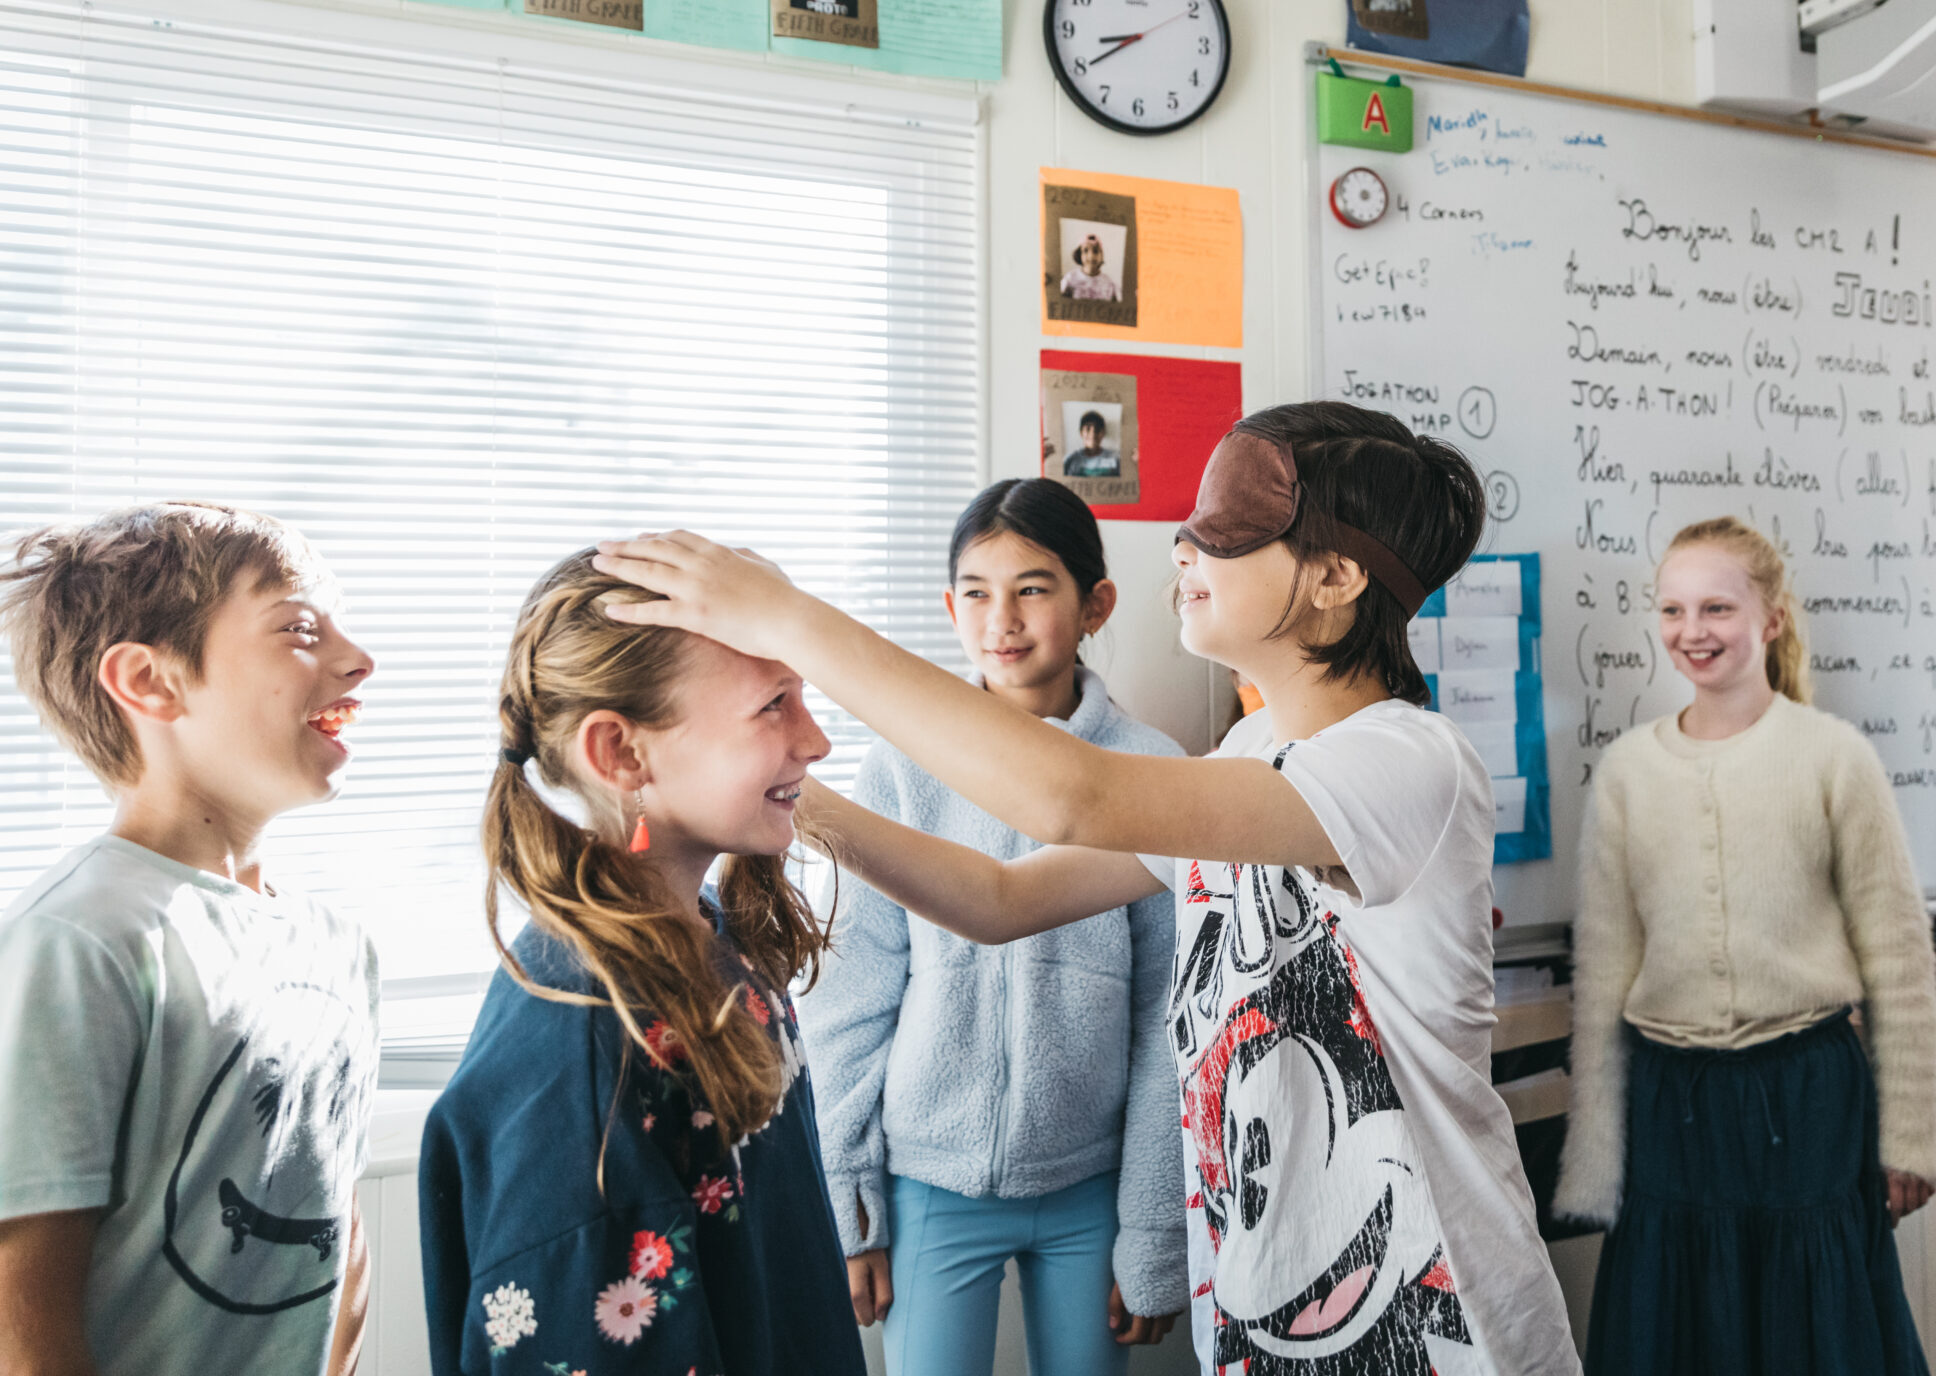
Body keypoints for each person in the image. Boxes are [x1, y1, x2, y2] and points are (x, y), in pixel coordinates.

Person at [591, 402, 1583, 1375]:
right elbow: (995, 896)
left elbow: (1073, 795)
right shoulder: (1246, 754)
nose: (1186, 547)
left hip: (1445, 1318)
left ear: (1333, 575)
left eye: (1228, 528)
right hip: (1279, 1316)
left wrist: (788, 620)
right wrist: (790, 793)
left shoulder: (1404, 761)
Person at [416, 549, 863, 1376]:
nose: (818, 739)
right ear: (621, 754)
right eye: (773, 706)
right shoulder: (587, 1058)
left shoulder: (707, 937)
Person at [799, 478, 1185, 1374]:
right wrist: (851, 1196)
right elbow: (850, 990)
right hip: (930, 1180)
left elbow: (1172, 1017)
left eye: (1033, 589)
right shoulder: (902, 764)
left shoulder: (1155, 772)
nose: (1001, 619)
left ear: (1097, 604)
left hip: (1094, 1186)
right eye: (975, 592)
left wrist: (1156, 1226)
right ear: (949, 606)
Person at [1555, 516, 1936, 1376]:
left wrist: (1911, 1135)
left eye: (1718, 608)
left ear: (1771, 618)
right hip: (1672, 1108)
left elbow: (1900, 961)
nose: (1692, 633)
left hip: (1806, 1101)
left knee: (1815, 1336)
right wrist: (1595, 1157)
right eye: (1673, 610)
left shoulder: (1832, 757)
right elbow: (1605, 971)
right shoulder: (1628, 771)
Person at [0, 503, 380, 1376]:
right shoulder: (78, 941)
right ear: (151, 682)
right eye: (299, 629)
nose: (358, 659)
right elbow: (22, 1315)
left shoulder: (339, 944)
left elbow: (339, 1239)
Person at [1061, 411, 1121, 479]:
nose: (1093, 435)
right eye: (1088, 429)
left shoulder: (1116, 458)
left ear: (1103, 433)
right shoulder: (1070, 460)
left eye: (1097, 429)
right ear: (1081, 432)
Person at [1060, 234, 1120, 302]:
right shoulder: (1070, 278)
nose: (1091, 256)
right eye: (1085, 251)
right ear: (1080, 255)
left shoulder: (1109, 283)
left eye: (1095, 251)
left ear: (1101, 256)